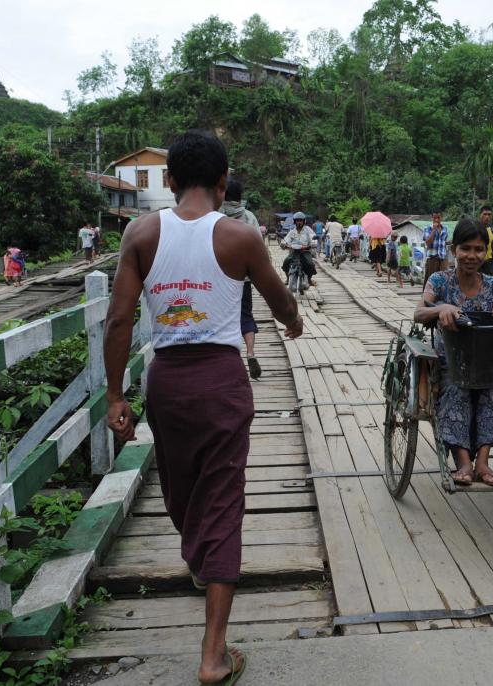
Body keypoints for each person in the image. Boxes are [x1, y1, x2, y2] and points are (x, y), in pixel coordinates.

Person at [103, 130, 301, 686]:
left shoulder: (141, 232)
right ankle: (213, 655)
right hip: (220, 380)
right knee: (220, 499)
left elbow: (119, 320)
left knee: (182, 490)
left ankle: (203, 572)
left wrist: (116, 394)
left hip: (166, 382)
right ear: (222, 182)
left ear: (168, 181)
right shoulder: (240, 236)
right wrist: (293, 320)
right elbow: (276, 294)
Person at [415, 218, 493, 487]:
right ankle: (464, 463)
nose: (472, 256)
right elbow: (419, 312)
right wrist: (440, 308)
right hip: (450, 362)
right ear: (454, 249)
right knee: (458, 390)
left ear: (486, 252)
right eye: (465, 248)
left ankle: (482, 463)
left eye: (479, 250)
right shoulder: (439, 280)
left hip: (486, 363)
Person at [219, 178, 264, 379]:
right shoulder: (249, 217)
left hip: (219, 278)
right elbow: (259, 248)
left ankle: (227, 360)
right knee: (245, 315)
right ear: (240, 197)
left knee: (221, 319)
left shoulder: (215, 216)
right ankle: (251, 352)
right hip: (243, 278)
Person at [281, 211, 317, 282]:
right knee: (286, 262)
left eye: (301, 220)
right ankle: (288, 278)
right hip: (294, 252)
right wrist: (284, 244)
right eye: (297, 221)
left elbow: (313, 237)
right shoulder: (292, 231)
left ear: (304, 221)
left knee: (310, 264)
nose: (299, 222)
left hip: (305, 251)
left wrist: (312, 244)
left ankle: (309, 279)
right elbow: (286, 239)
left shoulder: (308, 230)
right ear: (295, 221)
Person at [423, 212, 448, 281]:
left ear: (441, 218)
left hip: (443, 259)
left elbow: (444, 244)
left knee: (443, 281)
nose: (436, 220)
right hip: (432, 259)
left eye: (438, 218)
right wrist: (434, 230)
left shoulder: (445, 229)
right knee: (431, 282)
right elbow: (427, 243)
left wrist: (446, 260)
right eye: (434, 218)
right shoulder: (427, 228)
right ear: (432, 218)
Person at [479, 206, 493, 276]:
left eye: (489, 214)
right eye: (484, 214)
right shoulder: (474, 230)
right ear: (480, 215)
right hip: (477, 262)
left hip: (489, 264)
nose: (487, 217)